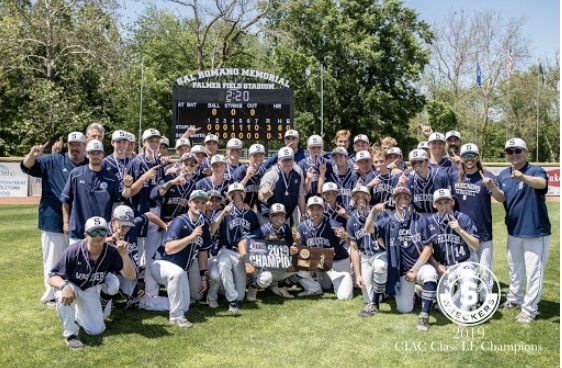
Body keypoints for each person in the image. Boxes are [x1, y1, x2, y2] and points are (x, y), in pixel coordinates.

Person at [21, 132, 89, 306]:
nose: (75, 148)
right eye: (72, 144)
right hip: (53, 219)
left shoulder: (89, 164)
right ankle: (51, 296)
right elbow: (27, 167)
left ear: (84, 145)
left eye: (78, 144)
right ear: (68, 145)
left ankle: (72, 292)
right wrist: (32, 155)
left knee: (76, 260)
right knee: (53, 259)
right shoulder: (53, 160)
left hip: (80, 222)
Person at [48, 216, 136, 349]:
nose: (98, 236)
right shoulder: (73, 251)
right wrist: (65, 286)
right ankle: (71, 334)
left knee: (96, 330)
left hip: (90, 288)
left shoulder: (111, 251)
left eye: (102, 232)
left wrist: (124, 254)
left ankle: (84, 312)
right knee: (62, 294)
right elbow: (52, 276)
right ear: (86, 234)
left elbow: (130, 275)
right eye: (93, 232)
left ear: (107, 234)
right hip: (72, 286)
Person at [365, 187, 437, 332]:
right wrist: (372, 213)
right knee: (404, 309)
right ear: (393, 200)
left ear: (410, 200)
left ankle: (424, 316)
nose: (403, 200)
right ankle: (412, 294)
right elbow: (368, 229)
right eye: (399, 197)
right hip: (401, 271)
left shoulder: (420, 219)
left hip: (418, 267)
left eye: (406, 197)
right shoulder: (387, 220)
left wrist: (415, 269)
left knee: (430, 273)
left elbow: (428, 247)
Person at [497, 138, 551, 323]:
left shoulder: (535, 170)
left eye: (517, 150)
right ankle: (515, 298)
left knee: (534, 271)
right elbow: (500, 197)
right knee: (515, 269)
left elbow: (541, 184)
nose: (513, 154)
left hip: (536, 231)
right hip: (514, 230)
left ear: (526, 151)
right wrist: (490, 188)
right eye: (509, 151)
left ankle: (530, 309)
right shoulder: (503, 174)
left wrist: (522, 177)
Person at [151, 190, 213, 327]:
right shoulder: (179, 221)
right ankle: (176, 317)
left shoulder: (204, 224)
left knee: (185, 305)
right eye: (196, 202)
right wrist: (191, 237)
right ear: (189, 203)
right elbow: (168, 248)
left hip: (181, 270)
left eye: (203, 202)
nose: (200, 205)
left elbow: (203, 252)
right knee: (177, 273)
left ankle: (146, 301)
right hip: (162, 264)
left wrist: (204, 277)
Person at [61, 140, 133, 243]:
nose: (96, 156)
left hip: (101, 233)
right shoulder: (76, 174)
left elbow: (123, 196)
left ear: (103, 154)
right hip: (78, 231)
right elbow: (66, 200)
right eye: (92, 153)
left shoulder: (111, 178)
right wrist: (66, 222)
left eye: (98, 153)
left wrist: (128, 185)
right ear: (87, 154)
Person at [453, 143, 504, 284]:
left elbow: (501, 198)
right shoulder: (453, 176)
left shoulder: (487, 176)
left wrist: (492, 187)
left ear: (478, 157)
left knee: (485, 270)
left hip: (483, 231)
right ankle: (467, 296)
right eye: (466, 155)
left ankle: (485, 298)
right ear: (461, 158)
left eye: (472, 155)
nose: (469, 159)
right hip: (461, 231)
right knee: (464, 269)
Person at [211, 183, 260, 312]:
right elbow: (211, 231)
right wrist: (222, 214)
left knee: (240, 296)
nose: (236, 196)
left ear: (244, 195)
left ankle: (225, 289)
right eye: (233, 193)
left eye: (239, 193)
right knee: (223, 265)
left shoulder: (251, 215)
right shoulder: (224, 212)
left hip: (242, 253)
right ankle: (231, 301)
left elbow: (256, 237)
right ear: (229, 195)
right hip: (227, 249)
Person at [295, 196, 353, 300]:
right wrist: (296, 242)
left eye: (318, 209)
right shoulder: (302, 227)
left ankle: (345, 278)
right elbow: (301, 252)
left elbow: (349, 244)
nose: (315, 212)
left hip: (337, 262)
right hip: (320, 262)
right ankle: (314, 288)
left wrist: (345, 237)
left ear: (323, 210)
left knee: (345, 297)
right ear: (307, 210)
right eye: (312, 209)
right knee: (297, 262)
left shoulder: (333, 225)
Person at [347, 186, 387, 316]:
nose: (360, 199)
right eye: (356, 196)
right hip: (365, 256)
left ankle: (387, 286)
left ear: (369, 197)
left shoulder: (380, 213)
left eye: (363, 195)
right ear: (353, 200)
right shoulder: (352, 220)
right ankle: (384, 291)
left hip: (381, 254)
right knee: (368, 299)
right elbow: (354, 248)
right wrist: (358, 275)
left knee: (380, 267)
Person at [258, 147, 306, 226]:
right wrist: (264, 195)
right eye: (285, 160)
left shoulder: (298, 171)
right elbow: (261, 197)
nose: (288, 163)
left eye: (290, 160)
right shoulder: (271, 174)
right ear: (278, 161)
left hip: (285, 214)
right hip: (269, 215)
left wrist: (303, 214)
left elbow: (300, 196)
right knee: (270, 237)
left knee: (287, 235)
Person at [399, 149, 450, 214]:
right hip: (418, 216)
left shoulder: (441, 176)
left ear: (426, 162)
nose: (417, 164)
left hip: (438, 215)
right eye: (414, 162)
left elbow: (449, 202)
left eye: (420, 161)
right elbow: (405, 203)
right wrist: (400, 186)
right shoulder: (409, 179)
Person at [234, 143, 268, 210]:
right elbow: (234, 192)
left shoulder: (264, 172)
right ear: (249, 157)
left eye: (261, 155)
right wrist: (246, 177)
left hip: (253, 209)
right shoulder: (241, 170)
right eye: (255, 155)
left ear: (264, 157)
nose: (258, 158)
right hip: (238, 208)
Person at [325, 146, 356, 212]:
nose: (338, 158)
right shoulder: (331, 176)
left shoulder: (354, 174)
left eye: (341, 156)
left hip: (352, 212)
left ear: (346, 158)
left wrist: (349, 210)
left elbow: (356, 196)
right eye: (335, 157)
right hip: (336, 212)